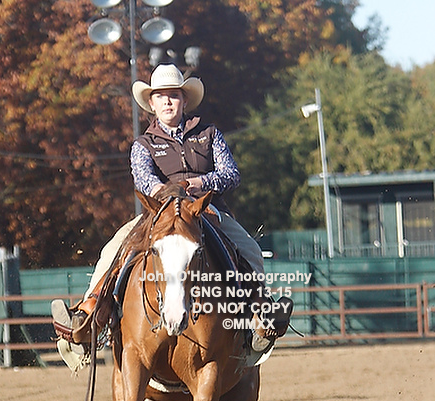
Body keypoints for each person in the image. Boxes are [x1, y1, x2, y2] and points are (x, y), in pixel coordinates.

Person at [51, 64, 291, 365]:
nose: (167, 101)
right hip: (159, 213)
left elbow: (230, 174)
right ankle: (88, 314)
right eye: (160, 96)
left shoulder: (209, 134)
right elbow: (145, 181)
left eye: (174, 95)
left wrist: (198, 184)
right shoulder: (143, 145)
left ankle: (260, 316)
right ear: (151, 103)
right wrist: (171, 196)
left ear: (184, 100)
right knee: (114, 249)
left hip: (207, 211)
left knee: (250, 249)